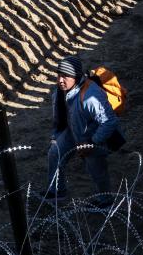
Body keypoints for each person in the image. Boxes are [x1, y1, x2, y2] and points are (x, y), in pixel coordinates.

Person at [47, 55, 124, 199]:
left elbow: (110, 121)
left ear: (76, 76)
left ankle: (106, 201)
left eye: (65, 76)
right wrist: (56, 136)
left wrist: (92, 142)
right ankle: (57, 191)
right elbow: (59, 118)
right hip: (73, 130)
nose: (60, 80)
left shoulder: (90, 95)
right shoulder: (59, 91)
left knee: (97, 170)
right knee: (54, 153)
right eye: (58, 75)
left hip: (92, 136)